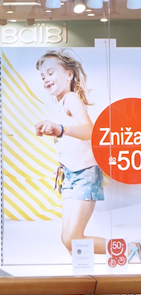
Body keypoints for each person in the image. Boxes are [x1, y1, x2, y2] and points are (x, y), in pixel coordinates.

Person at [34, 50, 105, 254]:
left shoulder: (71, 98)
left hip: (85, 174)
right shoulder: (60, 103)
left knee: (72, 239)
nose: (46, 79)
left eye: (50, 72)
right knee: (69, 240)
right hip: (71, 176)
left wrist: (60, 129)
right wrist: (51, 130)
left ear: (69, 74)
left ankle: (128, 249)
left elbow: (90, 131)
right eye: (43, 76)